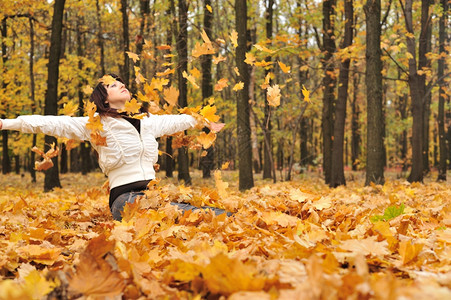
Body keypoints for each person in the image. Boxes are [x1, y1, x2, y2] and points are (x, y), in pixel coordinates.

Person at [0, 74, 230, 221]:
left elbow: (179, 120)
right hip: (125, 198)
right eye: (113, 85)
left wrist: (204, 121)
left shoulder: (147, 122)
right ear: (104, 99)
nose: (121, 86)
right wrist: (6, 123)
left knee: (206, 216)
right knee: (188, 218)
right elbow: (52, 123)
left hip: (153, 196)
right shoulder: (96, 124)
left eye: (122, 84)